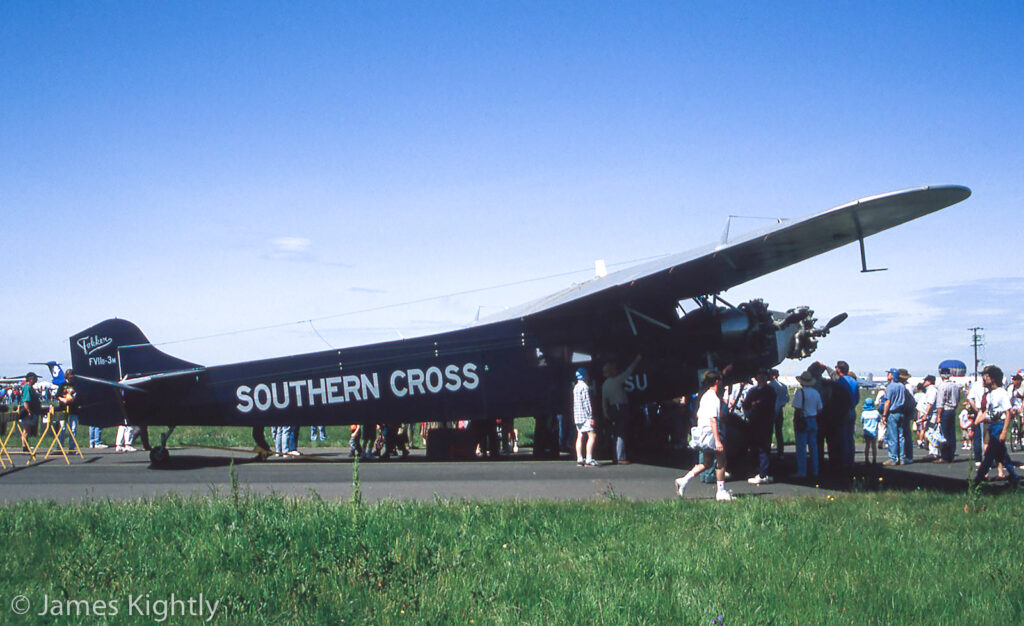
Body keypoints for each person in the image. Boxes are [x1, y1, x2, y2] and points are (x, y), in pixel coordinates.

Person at [675, 370, 732, 501]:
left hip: (703, 431)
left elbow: (699, 415)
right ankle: (721, 491)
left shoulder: (704, 396)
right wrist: (718, 440)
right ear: (717, 381)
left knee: (706, 463)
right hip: (711, 432)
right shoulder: (713, 398)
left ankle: (684, 480)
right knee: (722, 462)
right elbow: (713, 419)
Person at [972, 365, 1020, 487]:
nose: (984, 378)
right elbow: (987, 413)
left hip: (999, 425)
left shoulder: (1001, 393)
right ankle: (1014, 477)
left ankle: (978, 478)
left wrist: (1004, 431)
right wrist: (975, 424)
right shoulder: (990, 394)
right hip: (992, 424)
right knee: (1002, 454)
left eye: (986, 376)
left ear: (993, 378)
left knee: (989, 454)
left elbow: (1008, 412)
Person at [601, 354, 642, 465]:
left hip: (612, 409)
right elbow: (628, 371)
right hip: (621, 408)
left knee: (616, 433)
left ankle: (615, 456)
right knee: (621, 433)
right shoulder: (617, 380)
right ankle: (620, 457)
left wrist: (605, 412)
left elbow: (604, 401)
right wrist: (636, 361)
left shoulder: (604, 385)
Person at [744, 370, 777, 485]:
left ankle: (763, 473)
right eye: (759, 375)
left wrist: (755, 404)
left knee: (763, 448)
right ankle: (759, 470)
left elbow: (765, 404)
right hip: (754, 422)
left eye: (763, 376)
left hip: (765, 422)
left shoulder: (770, 391)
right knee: (755, 447)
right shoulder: (752, 391)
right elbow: (746, 404)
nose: (760, 378)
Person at [792, 371, 823, 478]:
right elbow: (820, 409)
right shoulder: (816, 393)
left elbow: (797, 408)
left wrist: (796, 421)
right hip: (813, 420)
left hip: (803, 420)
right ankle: (815, 470)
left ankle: (802, 471)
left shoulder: (800, 393)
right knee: (813, 447)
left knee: (801, 448)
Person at [881, 368, 914, 465]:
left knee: (893, 436)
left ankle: (893, 458)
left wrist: (884, 415)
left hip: (893, 412)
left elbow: (887, 402)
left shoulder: (890, 387)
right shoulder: (902, 386)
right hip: (902, 412)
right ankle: (902, 457)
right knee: (901, 436)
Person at [933, 368, 961, 463]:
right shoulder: (955, 386)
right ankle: (951, 454)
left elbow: (940, 402)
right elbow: (958, 399)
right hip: (952, 410)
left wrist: (938, 416)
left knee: (944, 434)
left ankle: (944, 456)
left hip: (945, 410)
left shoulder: (942, 386)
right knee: (951, 434)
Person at [572, 367, 599, 467]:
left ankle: (579, 457)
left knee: (580, 436)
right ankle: (589, 458)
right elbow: (587, 403)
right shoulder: (585, 387)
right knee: (592, 435)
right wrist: (590, 417)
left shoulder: (576, 387)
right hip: (585, 416)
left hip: (577, 416)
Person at [18, 372, 42, 452]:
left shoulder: (30, 387)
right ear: (31, 379)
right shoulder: (27, 388)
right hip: (28, 411)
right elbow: (26, 400)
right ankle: (24, 446)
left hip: (32, 410)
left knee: (28, 429)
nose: (36, 381)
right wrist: (28, 411)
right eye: (35, 379)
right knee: (26, 429)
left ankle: (26, 445)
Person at [56, 369, 79, 453]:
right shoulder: (63, 385)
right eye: (69, 375)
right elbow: (57, 396)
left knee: (73, 429)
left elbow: (78, 395)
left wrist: (73, 399)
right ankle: (59, 448)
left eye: (72, 375)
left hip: (73, 409)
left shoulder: (76, 385)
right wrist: (63, 400)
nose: (71, 377)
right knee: (62, 428)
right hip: (63, 408)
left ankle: (71, 448)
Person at [768, 369, 789, 457]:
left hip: (771, 410)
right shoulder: (783, 386)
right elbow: (787, 399)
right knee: (779, 432)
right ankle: (781, 452)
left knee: (769, 431)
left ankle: (768, 450)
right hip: (780, 409)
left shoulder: (769, 386)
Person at [860, 397, 879, 465]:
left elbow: (861, 421)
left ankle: (866, 459)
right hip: (874, 431)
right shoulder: (876, 412)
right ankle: (874, 459)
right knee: (874, 446)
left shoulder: (864, 413)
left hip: (867, 431)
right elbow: (878, 419)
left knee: (867, 445)